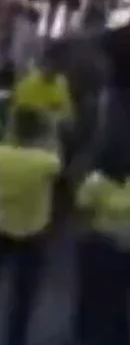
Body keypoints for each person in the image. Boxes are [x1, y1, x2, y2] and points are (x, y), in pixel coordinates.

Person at [0, 108, 61, 345]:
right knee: (23, 293)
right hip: (32, 232)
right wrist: (51, 133)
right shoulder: (46, 162)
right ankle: (15, 338)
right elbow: (58, 160)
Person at [73, 147, 130, 345]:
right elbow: (84, 211)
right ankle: (87, 332)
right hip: (100, 244)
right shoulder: (96, 182)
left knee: (117, 296)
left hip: (118, 247)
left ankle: (112, 334)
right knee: (95, 293)